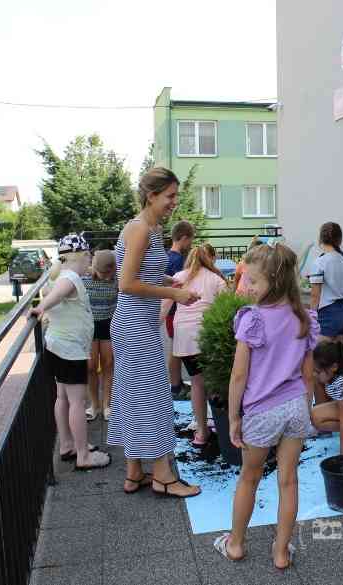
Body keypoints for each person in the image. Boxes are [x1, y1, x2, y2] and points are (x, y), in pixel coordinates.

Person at [213, 243, 318, 570]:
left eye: (253, 281)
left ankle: (236, 544)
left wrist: (233, 417)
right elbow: (307, 373)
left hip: (261, 411)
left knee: (249, 478)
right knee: (289, 481)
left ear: (273, 279)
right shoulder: (303, 317)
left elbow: (239, 374)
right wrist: (307, 407)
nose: (246, 287)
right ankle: (281, 552)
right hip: (295, 406)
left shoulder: (252, 319)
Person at [107, 167, 201, 498]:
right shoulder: (139, 230)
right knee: (153, 396)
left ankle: (134, 472)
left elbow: (139, 274)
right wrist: (174, 295)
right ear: (152, 195)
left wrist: (169, 281)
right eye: (170, 196)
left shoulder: (148, 227)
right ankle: (162, 474)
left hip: (136, 324)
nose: (174, 202)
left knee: (131, 394)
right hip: (134, 325)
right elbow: (127, 283)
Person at [30, 234, 111, 470]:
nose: (90, 262)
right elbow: (59, 293)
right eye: (89, 257)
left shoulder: (60, 275)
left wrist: (44, 306)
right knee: (77, 401)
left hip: (56, 346)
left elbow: (56, 294)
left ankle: (67, 445)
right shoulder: (71, 277)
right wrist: (41, 308)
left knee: (62, 398)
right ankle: (83, 456)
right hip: (70, 350)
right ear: (83, 256)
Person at [161, 243, 228, 447]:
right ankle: (220, 422)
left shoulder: (178, 277)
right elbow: (226, 311)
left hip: (184, 337)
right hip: (208, 335)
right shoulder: (217, 279)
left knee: (197, 382)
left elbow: (164, 308)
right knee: (216, 382)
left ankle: (201, 431)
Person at [83, 249, 117, 422]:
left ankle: (107, 405)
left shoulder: (117, 278)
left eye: (108, 273)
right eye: (102, 272)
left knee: (108, 364)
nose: (105, 276)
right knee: (90, 367)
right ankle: (94, 405)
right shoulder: (83, 278)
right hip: (89, 327)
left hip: (108, 325)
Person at [165, 220, 195, 399]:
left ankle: (176, 384)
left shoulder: (168, 256)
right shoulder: (178, 261)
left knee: (175, 349)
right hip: (176, 311)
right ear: (183, 238)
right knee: (176, 350)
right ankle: (175, 386)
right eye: (190, 240)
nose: (191, 244)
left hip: (171, 311)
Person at [309, 222, 343, 345]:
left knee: (319, 357)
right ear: (340, 240)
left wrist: (312, 317)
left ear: (320, 239)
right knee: (341, 356)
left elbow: (315, 296)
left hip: (328, 312)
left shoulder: (320, 262)